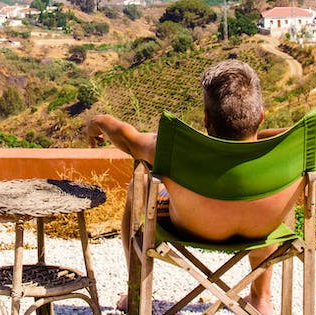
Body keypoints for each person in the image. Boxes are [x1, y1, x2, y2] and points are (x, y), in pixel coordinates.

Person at [84, 60, 299, 315]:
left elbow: (125, 137)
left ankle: (137, 293)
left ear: (207, 120)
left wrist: (98, 121)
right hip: (261, 226)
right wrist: (261, 139)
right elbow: (314, 143)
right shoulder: (294, 149)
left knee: (138, 184)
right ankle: (261, 298)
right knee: (263, 200)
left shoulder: (174, 149)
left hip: (192, 224)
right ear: (261, 116)